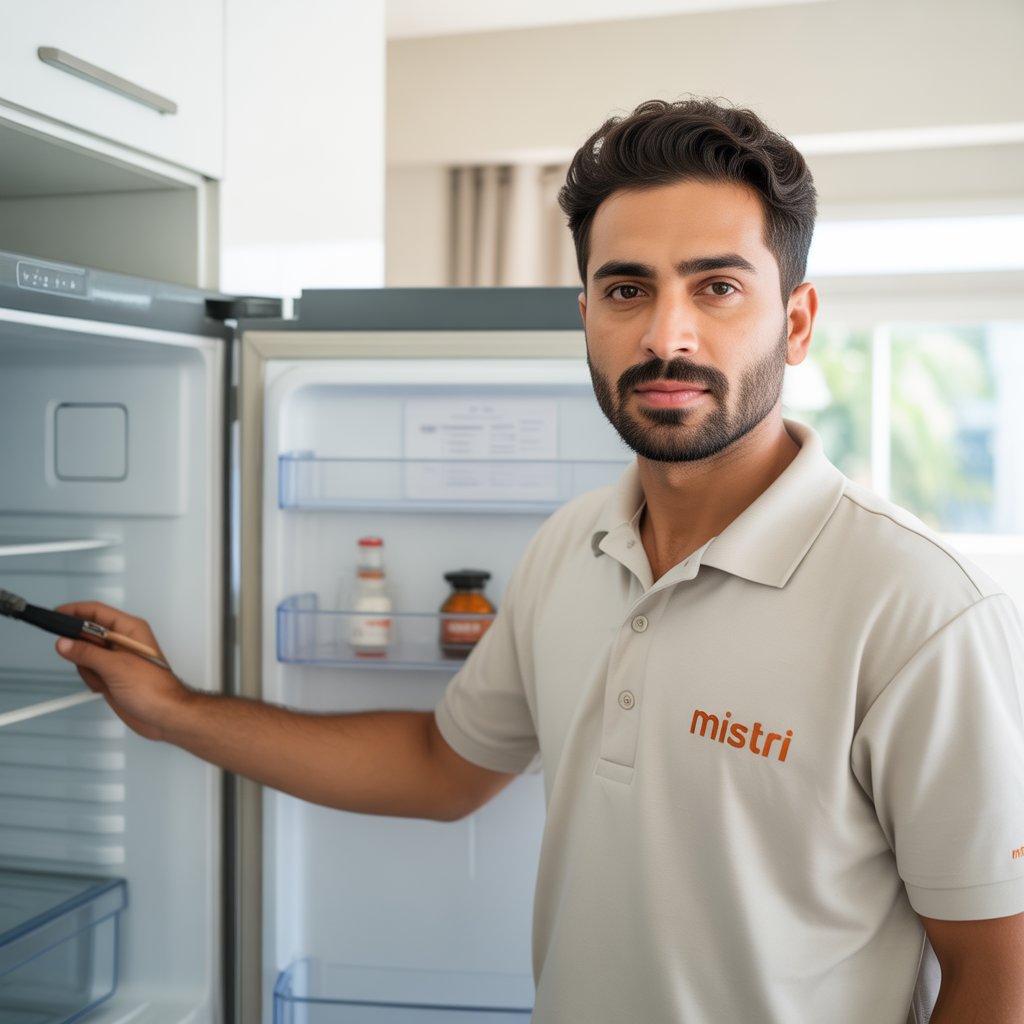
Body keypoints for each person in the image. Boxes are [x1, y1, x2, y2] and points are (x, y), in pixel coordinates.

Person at [55, 98, 1024, 1023]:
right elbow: (441, 766)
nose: (664, 334)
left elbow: (998, 972)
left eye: (717, 286)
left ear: (798, 321)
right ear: (587, 315)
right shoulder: (571, 545)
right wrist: (175, 709)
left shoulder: (919, 608)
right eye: (626, 288)